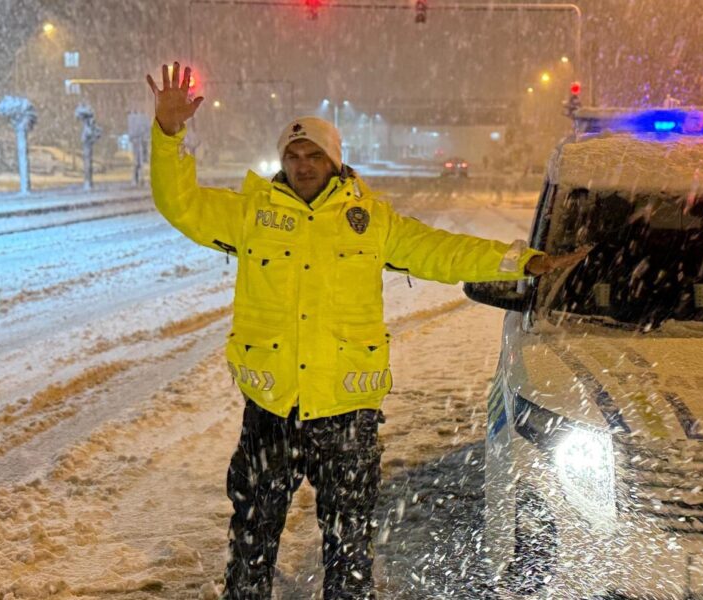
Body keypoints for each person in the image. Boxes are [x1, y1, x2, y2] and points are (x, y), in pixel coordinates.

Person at [146, 62, 588, 600]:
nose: (303, 165)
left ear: (334, 162)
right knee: (252, 540)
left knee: (349, 546)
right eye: (293, 156)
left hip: (346, 412)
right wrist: (168, 133)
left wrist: (522, 261)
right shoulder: (250, 216)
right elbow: (180, 203)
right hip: (272, 407)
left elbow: (441, 250)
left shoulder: (370, 221)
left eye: (314, 156)